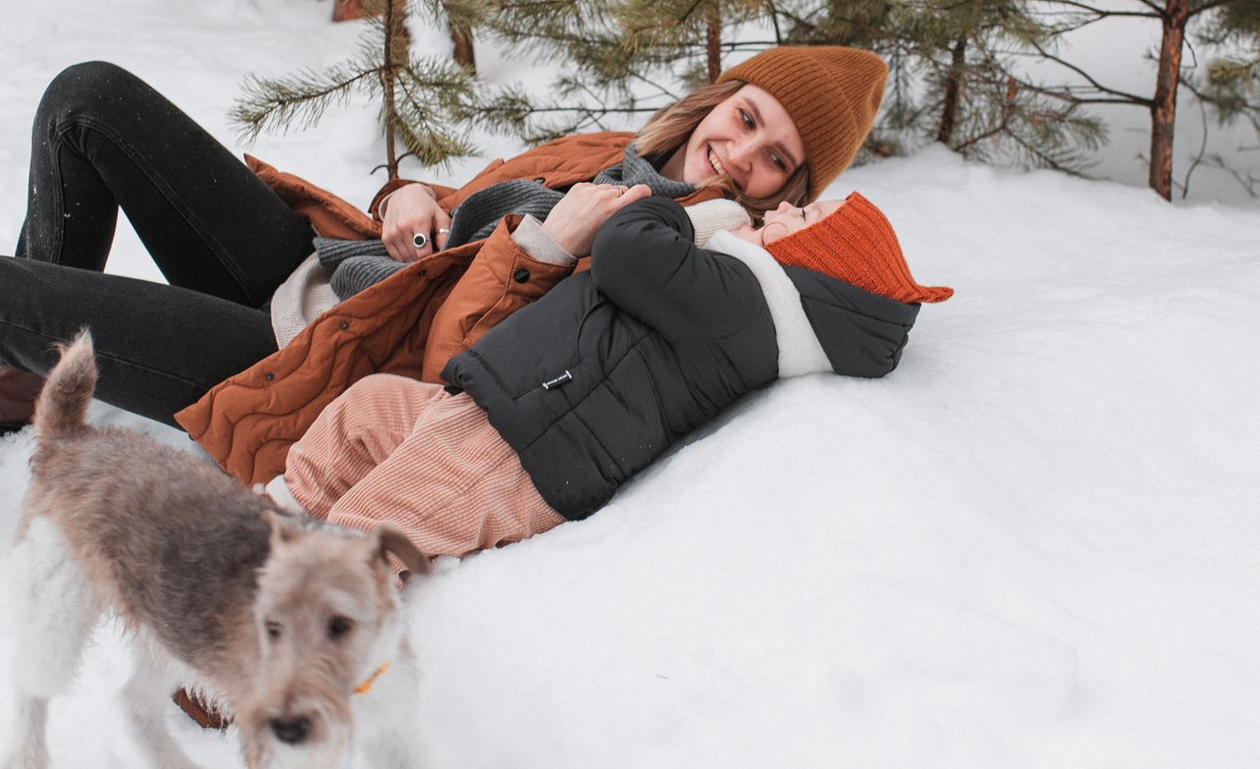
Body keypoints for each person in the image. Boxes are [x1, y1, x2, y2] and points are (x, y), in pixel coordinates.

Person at [0, 47, 890, 611]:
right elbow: (455, 210)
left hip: (305, 365)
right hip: (318, 269)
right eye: (750, 111)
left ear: (789, 193)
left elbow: (450, 365)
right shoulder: (611, 146)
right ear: (727, 90)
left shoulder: (671, 242)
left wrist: (538, 245)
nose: (742, 149)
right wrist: (417, 194)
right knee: (89, 96)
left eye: (776, 158)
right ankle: (9, 374)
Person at [283, 188, 953, 562]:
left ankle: (270, 663)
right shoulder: (746, 304)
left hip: (521, 447)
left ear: (813, 263)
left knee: (365, 536)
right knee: (366, 408)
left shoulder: (746, 301)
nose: (777, 210)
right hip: (508, 409)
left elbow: (626, 252)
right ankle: (271, 525)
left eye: (801, 217)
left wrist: (687, 215)